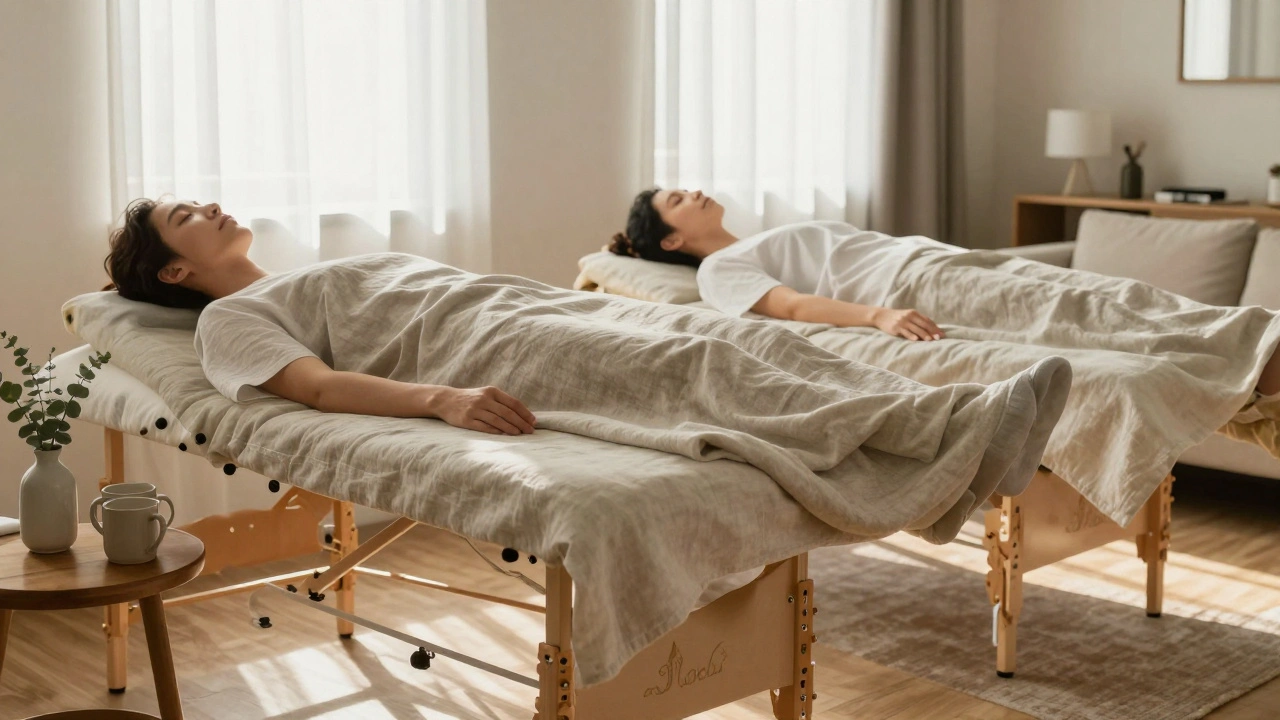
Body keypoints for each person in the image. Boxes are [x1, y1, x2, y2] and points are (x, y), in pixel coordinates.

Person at [99, 196, 1074, 538]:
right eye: (188, 216)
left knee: (738, 340)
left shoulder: (302, 276)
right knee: (697, 364)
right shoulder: (231, 323)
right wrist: (443, 399)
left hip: (511, 307)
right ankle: (959, 436)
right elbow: (311, 390)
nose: (214, 207)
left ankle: (953, 431)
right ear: (177, 270)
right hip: (481, 348)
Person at [611, 187, 1280, 399]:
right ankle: (1259, 352)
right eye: (677, 198)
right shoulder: (717, 272)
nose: (693, 191)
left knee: (1104, 292)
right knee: (1090, 314)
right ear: (671, 241)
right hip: (908, 285)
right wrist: (879, 315)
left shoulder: (750, 240)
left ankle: (1250, 341)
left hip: (934, 259)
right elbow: (787, 307)